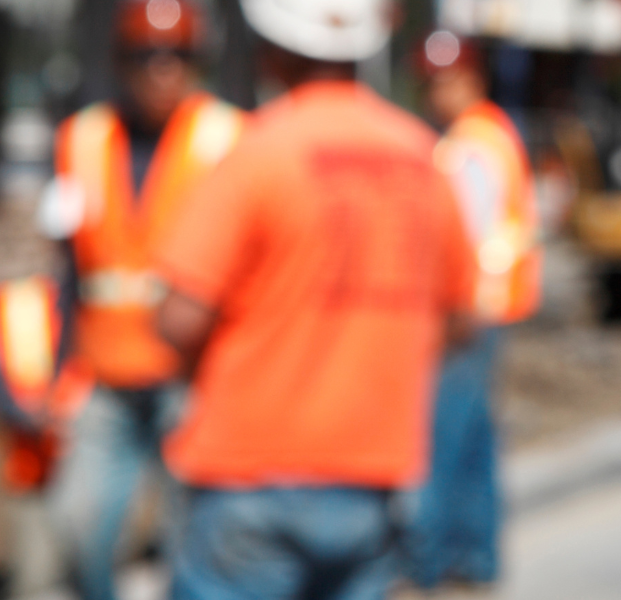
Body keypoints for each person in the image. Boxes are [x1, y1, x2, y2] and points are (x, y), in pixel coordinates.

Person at [153, 0, 477, 596]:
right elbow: (460, 318)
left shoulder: (259, 153)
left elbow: (179, 319)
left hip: (249, 473)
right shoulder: (421, 157)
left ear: (275, 54)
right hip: (370, 476)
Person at [35, 1, 245, 598]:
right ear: (121, 61)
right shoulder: (83, 138)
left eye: (176, 55)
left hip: (190, 372)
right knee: (83, 527)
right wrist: (57, 370)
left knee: (194, 532)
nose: (161, 69)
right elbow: (69, 266)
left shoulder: (227, 137)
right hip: (105, 369)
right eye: (146, 55)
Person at [399, 30, 541, 592]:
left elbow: (459, 235)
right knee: (476, 433)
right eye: (431, 83)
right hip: (491, 305)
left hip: (467, 309)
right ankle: (475, 556)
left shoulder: (467, 146)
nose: (437, 94)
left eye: (446, 82)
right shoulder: (493, 132)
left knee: (444, 435)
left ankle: (430, 560)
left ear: (471, 80)